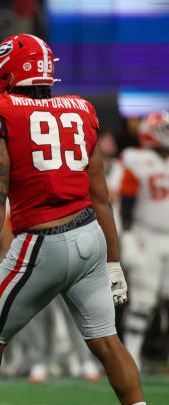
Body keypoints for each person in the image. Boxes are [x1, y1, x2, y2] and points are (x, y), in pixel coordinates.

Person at [0, 34, 145, 405]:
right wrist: (113, 261)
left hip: (41, 242)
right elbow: (100, 193)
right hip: (90, 236)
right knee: (107, 342)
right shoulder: (81, 109)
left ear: (10, 72)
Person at [118, 111, 169, 369]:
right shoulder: (137, 159)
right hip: (145, 235)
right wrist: (126, 238)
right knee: (143, 299)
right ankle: (132, 356)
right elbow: (126, 202)